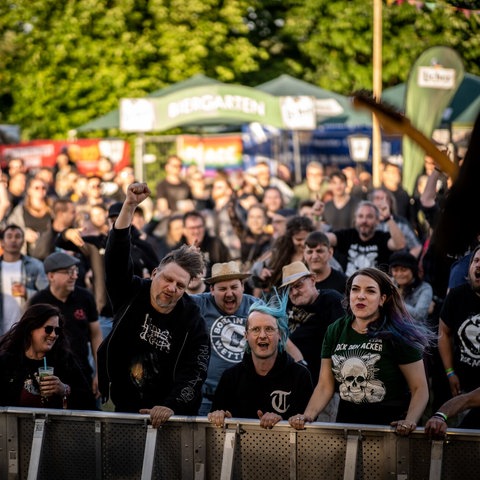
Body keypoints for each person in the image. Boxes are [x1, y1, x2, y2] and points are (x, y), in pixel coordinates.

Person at [97, 182, 210, 428]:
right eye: (167, 279)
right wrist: (129, 205)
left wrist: (172, 405)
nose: (171, 288)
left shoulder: (192, 319)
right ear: (155, 272)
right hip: (118, 407)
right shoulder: (131, 291)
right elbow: (116, 257)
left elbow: (195, 372)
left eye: (180, 285)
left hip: (166, 416)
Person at [289, 267, 432, 435]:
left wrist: (409, 421)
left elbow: (420, 388)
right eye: (355, 289)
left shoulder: (398, 334)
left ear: (382, 299)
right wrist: (308, 416)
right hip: (346, 425)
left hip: (389, 429)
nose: (361, 296)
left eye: (370, 291)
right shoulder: (336, 330)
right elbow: (325, 385)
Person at [207, 292, 313, 429]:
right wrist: (219, 416)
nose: (262, 336)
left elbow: (308, 420)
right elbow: (217, 418)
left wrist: (282, 421)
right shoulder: (230, 377)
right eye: (256, 329)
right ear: (246, 336)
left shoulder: (301, 375)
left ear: (279, 334)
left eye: (269, 329)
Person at [28, 251, 102, 399]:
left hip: (82, 373)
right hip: (50, 376)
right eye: (68, 272)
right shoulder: (39, 302)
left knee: (88, 417)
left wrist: (99, 374)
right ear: (51, 276)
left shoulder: (85, 297)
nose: (75, 276)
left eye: (75, 271)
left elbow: (96, 335)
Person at [191, 261, 259, 415]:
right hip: (206, 399)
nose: (229, 293)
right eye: (222, 288)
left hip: (246, 396)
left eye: (234, 287)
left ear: (242, 286)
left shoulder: (256, 306)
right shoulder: (199, 303)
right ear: (212, 290)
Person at [0, 303, 96, 410]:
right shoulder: (9, 361)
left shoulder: (64, 360)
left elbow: (88, 401)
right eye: (48, 329)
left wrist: (64, 390)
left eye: (57, 330)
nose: (54, 335)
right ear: (31, 328)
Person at [280, 261, 345, 384]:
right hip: (288, 376)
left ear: (313, 280)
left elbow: (341, 342)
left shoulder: (330, 300)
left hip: (318, 380)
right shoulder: (286, 304)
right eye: (289, 289)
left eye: (298, 285)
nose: (294, 292)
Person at [438, 245, 480, 399]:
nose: (478, 265)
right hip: (463, 384)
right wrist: (450, 373)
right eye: (475, 260)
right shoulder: (456, 296)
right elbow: (444, 333)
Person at [326, 200, 406, 276]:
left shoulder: (382, 238)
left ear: (377, 221)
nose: (364, 221)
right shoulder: (346, 235)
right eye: (360, 216)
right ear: (355, 219)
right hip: (348, 287)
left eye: (369, 217)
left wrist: (388, 218)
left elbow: (400, 244)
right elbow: (323, 239)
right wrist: (315, 217)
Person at [0, 224, 49, 334]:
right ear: (2, 242)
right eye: (9, 236)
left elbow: (48, 295)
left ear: (23, 241)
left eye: (18, 236)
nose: (13, 240)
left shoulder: (35, 265)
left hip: (25, 329)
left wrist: (27, 292)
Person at [389, 251, 433, 324]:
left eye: (403, 270)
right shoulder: (390, 284)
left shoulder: (424, 288)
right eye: (395, 270)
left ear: (413, 270)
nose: (399, 274)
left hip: (415, 331)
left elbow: (419, 315)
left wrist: (396, 300)